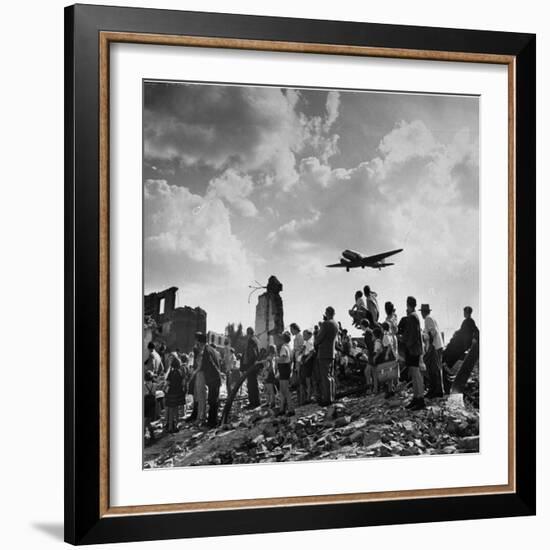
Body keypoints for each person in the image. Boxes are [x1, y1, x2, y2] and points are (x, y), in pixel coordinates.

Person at [442, 306, 480, 392]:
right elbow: (462, 330)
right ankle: (446, 368)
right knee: (449, 349)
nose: (465, 314)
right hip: (460, 343)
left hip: (462, 345)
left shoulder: (470, 321)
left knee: (450, 351)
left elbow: (476, 331)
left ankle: (446, 367)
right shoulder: (466, 321)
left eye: (465, 312)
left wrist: (474, 339)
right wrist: (456, 332)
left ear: (468, 313)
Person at [400, 296, 425, 410]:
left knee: (415, 374)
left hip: (412, 349)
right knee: (414, 374)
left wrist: (404, 340)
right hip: (414, 349)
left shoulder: (412, 317)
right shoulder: (414, 316)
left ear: (407, 304)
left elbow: (412, 335)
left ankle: (420, 399)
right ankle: (417, 398)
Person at [193, 331, 222, 428]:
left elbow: (210, 364)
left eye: (197, 343)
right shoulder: (211, 349)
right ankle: (212, 420)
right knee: (213, 400)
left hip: (213, 378)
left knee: (212, 400)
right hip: (215, 378)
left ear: (200, 342)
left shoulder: (206, 351)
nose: (197, 345)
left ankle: (212, 422)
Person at [314, 306, 339, 406]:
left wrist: (316, 338)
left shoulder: (326, 324)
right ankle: (332, 396)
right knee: (331, 376)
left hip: (324, 352)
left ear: (327, 313)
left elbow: (319, 339)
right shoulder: (336, 324)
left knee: (325, 377)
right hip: (331, 352)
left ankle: (327, 399)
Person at [419, 304, 444, 398]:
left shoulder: (428, 319)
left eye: (422, 311)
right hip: (436, 345)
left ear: (423, 312)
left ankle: (435, 391)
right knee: (436, 369)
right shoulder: (431, 318)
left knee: (433, 369)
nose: (421, 313)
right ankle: (437, 390)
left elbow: (433, 332)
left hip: (434, 346)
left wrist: (430, 347)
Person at [164, 352, 185, 433]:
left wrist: (164, 388)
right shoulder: (181, 372)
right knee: (176, 410)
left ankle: (169, 427)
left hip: (171, 393)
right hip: (178, 393)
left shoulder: (171, 373)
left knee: (171, 410)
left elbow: (167, 383)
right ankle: (176, 425)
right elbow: (183, 383)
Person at [242, 327, 261, 409]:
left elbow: (252, 353)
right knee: (254, 383)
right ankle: (256, 402)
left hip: (251, 365)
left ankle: (253, 402)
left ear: (248, 333)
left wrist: (248, 364)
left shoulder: (251, 341)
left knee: (251, 384)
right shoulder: (257, 340)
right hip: (255, 365)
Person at [276, 332, 295, 415]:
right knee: (283, 390)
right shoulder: (289, 347)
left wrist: (276, 359)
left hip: (284, 368)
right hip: (287, 368)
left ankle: (290, 409)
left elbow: (283, 358)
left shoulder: (284, 347)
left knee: (285, 390)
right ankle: (282, 409)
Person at [300, 329, 315, 403]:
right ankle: (307, 397)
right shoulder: (306, 342)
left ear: (309, 335)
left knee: (308, 380)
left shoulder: (309, 343)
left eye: (304, 335)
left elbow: (311, 352)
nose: (303, 336)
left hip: (308, 362)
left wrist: (306, 360)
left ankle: (309, 397)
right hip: (305, 361)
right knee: (306, 380)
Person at [144, 370, 158, 445]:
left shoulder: (143, 386)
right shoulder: (154, 385)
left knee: (145, 421)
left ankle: (147, 437)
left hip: (145, 404)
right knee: (148, 421)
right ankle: (152, 436)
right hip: (152, 404)